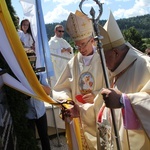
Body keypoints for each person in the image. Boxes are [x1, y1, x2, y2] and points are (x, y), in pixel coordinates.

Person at [52, 10, 106, 150]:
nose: (80, 49)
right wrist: (68, 103)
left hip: (100, 117)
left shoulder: (104, 59)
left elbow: (114, 85)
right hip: (79, 118)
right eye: (77, 45)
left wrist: (97, 95)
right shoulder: (73, 62)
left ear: (92, 40)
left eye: (83, 44)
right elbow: (61, 88)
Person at [97, 11, 150, 150]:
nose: (101, 61)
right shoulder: (116, 69)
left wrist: (123, 100)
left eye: (103, 56)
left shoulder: (146, 65)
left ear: (115, 53)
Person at [25, 72, 51, 150]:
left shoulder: (40, 74)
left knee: (44, 137)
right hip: (28, 114)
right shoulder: (20, 74)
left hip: (40, 111)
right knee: (31, 140)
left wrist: (36, 83)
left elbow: (48, 91)